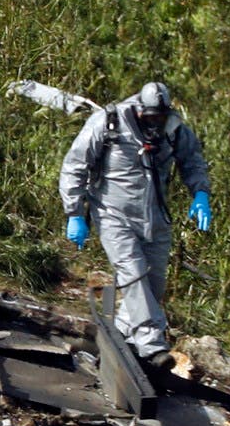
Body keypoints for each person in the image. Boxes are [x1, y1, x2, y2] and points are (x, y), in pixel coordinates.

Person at [58, 80, 211, 362]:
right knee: (134, 273)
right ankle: (154, 345)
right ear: (139, 110)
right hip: (113, 214)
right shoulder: (109, 122)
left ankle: (121, 341)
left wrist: (200, 193)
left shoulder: (173, 130)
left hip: (155, 217)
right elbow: (74, 166)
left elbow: (193, 161)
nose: (155, 124)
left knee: (152, 286)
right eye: (150, 118)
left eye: (160, 118)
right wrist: (75, 214)